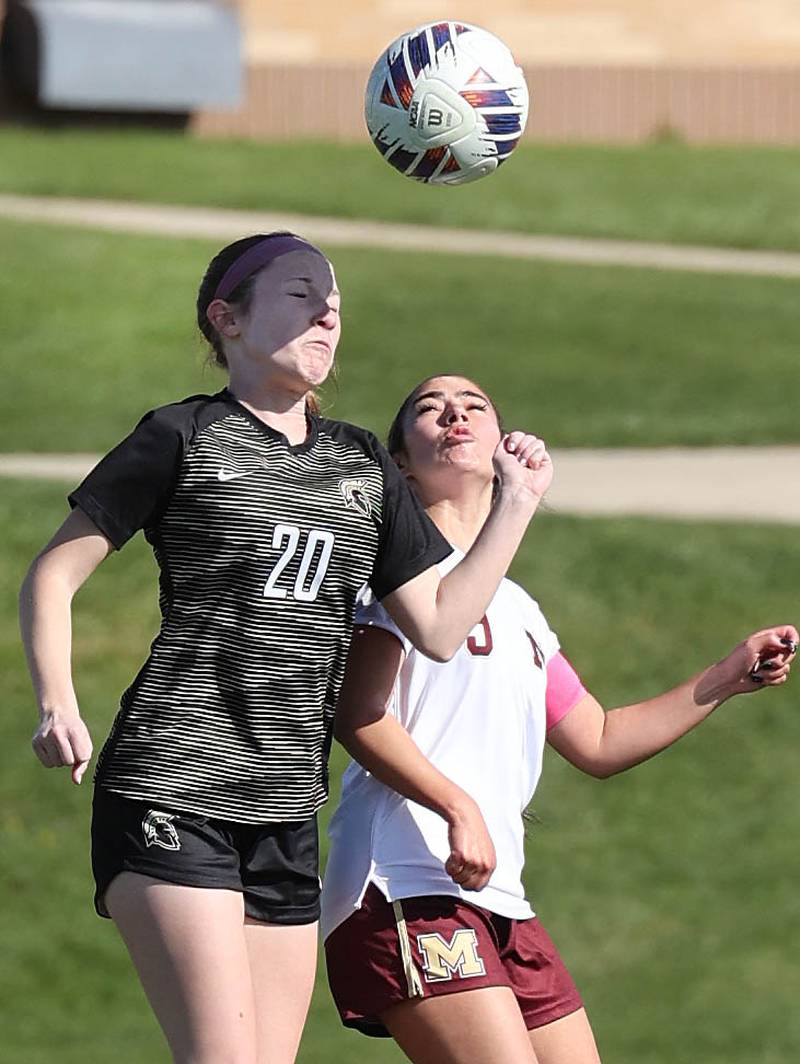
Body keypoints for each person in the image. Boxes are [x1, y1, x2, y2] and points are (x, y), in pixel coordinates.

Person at [18, 235, 555, 1064]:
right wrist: (58, 700)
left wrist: (515, 505)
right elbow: (53, 574)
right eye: (302, 292)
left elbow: (441, 628)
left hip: (284, 812)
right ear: (226, 320)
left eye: (334, 299)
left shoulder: (363, 464)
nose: (328, 311)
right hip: (173, 782)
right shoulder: (181, 435)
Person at [322, 373, 798, 1064]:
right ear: (401, 460)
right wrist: (457, 805)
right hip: (403, 877)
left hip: (499, 896)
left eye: (474, 406)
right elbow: (357, 714)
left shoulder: (516, 607)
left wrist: (724, 677)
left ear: (500, 443)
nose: (454, 413)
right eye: (429, 409)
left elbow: (598, 739)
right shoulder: (393, 575)